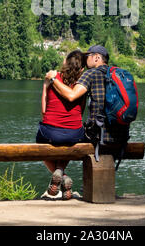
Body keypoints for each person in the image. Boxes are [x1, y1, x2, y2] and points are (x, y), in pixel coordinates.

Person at [45, 44, 129, 152]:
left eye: (87, 57)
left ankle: (60, 167)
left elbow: (71, 96)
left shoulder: (90, 74)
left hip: (98, 137)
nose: (85, 60)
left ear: (97, 58)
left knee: (73, 135)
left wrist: (53, 78)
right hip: (121, 137)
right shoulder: (117, 74)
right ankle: (60, 167)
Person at [36, 49, 86, 200]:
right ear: (82, 69)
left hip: (50, 132)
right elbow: (81, 112)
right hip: (75, 133)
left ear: (65, 62)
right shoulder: (81, 85)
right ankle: (60, 170)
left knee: (40, 144)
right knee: (69, 140)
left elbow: (44, 111)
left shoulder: (53, 78)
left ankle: (61, 175)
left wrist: (45, 86)